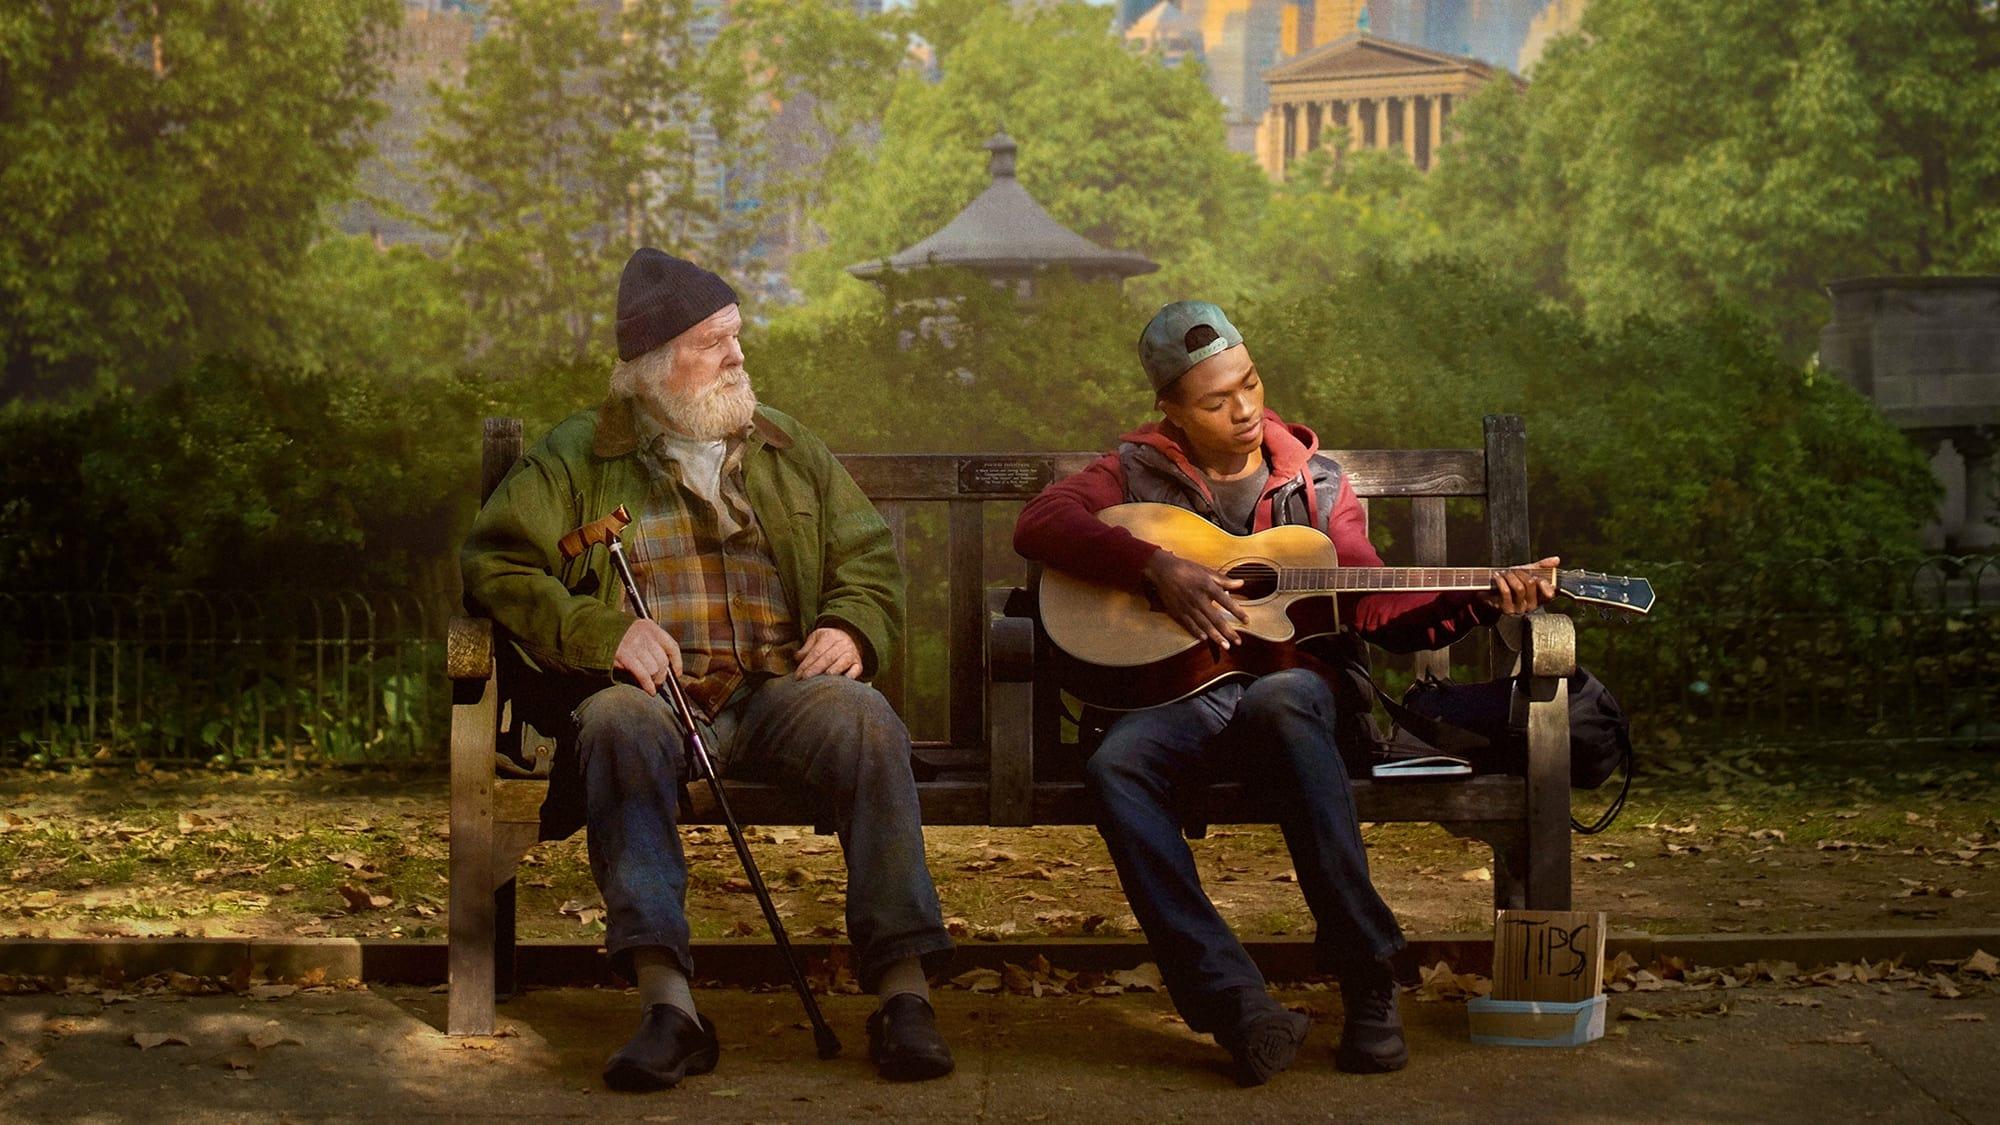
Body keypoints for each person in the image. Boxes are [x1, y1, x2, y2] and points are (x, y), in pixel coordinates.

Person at [1012, 300, 1557, 1086]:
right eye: (1214, 399)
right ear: (1169, 408)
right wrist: (1152, 567)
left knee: (1284, 697)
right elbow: (1041, 521)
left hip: (1294, 702)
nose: (1243, 409)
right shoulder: (1131, 471)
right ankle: (1239, 1007)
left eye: (1251, 383)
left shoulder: (1317, 484)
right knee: (1116, 767)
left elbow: (1375, 605)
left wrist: (1477, 597)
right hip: (1180, 699)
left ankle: (1369, 978)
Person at [462, 249, 955, 1090]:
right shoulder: (579, 455)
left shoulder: (782, 443)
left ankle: (904, 995)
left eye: (737, 336)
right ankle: (670, 1006)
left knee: (867, 718)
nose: (737, 357)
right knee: (613, 724)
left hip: (779, 693)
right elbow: (497, 566)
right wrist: (599, 630)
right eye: (713, 342)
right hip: (657, 703)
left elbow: (868, 557)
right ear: (655, 367)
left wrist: (852, 628)